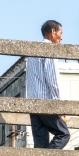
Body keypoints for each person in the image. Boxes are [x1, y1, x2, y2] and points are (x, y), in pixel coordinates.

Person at [25, 20, 70, 149]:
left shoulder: (33, 52)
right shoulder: (50, 49)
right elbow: (52, 79)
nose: (62, 37)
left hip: (33, 102)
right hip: (46, 102)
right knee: (63, 134)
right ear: (53, 32)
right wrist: (57, 105)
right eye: (60, 33)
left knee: (40, 144)